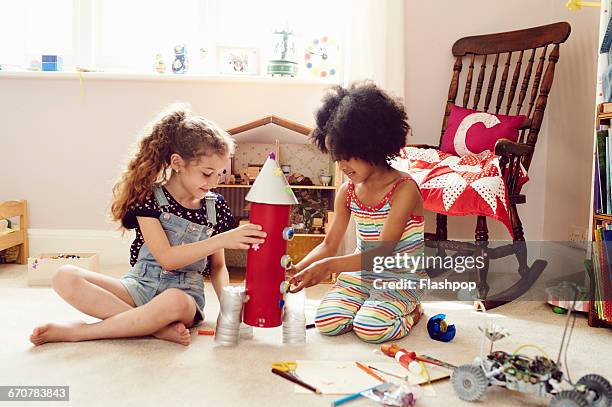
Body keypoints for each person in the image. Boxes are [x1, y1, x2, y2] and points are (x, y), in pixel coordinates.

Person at [30, 104, 266, 346]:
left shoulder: (215, 207)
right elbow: (167, 258)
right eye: (207, 173)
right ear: (177, 162)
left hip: (183, 297)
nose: (214, 182)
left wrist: (228, 311)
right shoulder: (150, 198)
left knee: (173, 301)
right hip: (139, 286)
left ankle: (79, 333)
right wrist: (224, 238)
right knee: (65, 276)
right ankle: (154, 327)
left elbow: (217, 268)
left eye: (220, 173)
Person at [288, 82, 425, 343]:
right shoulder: (347, 191)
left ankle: (413, 311)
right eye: (337, 157)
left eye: (349, 156)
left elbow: (381, 254)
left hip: (400, 278)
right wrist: (299, 268)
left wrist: (329, 266)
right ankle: (368, 306)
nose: (342, 165)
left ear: (372, 146)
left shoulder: (403, 190)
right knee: (326, 322)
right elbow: (329, 244)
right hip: (362, 275)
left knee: (370, 329)